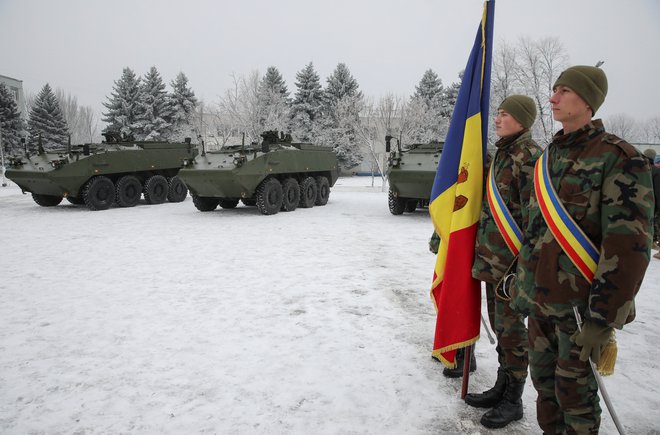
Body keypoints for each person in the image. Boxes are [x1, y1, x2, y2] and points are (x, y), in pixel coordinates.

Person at [513, 65, 653, 434]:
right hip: (540, 303)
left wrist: (603, 318)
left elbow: (628, 248)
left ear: (587, 100)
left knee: (575, 399)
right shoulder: (547, 159)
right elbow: (535, 232)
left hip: (579, 312)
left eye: (563, 91)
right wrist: (520, 281)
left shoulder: (619, 158)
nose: (552, 98)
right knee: (544, 388)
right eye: (554, 90)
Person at [466, 95, 542, 428]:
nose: (497, 119)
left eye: (505, 114)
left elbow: (534, 218)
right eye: (497, 113)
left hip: (514, 267)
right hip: (496, 262)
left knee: (512, 333)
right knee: (502, 330)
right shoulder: (503, 155)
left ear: (523, 120)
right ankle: (502, 385)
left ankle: (513, 399)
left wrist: (523, 266)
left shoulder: (530, 157)